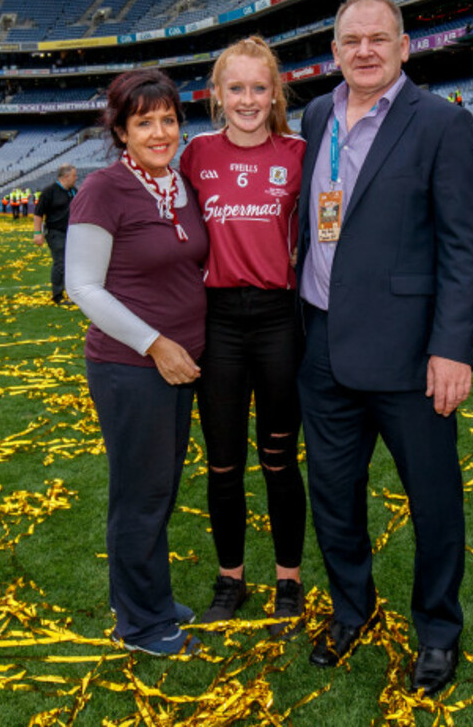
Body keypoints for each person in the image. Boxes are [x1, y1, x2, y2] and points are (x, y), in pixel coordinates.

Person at [296, 0, 473, 695]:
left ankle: (437, 628)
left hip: (413, 356)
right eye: (351, 41)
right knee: (334, 496)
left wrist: (454, 347)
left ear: (404, 46)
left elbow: (467, 248)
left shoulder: (440, 123)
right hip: (321, 346)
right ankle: (353, 608)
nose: (365, 51)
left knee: (434, 500)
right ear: (335, 51)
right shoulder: (317, 115)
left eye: (379, 38)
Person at [64, 68, 208, 656]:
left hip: (179, 365)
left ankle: (148, 594)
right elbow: (83, 286)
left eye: (168, 119)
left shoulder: (178, 184)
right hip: (133, 366)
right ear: (121, 131)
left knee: (161, 488)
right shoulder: (103, 188)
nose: (159, 132)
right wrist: (155, 342)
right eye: (143, 122)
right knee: (140, 493)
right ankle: (142, 624)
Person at [179, 36, 307, 636]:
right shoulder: (195, 154)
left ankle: (289, 578)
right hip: (219, 320)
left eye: (260, 87)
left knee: (280, 460)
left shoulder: (301, 151)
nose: (249, 99)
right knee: (224, 464)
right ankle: (230, 578)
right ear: (217, 95)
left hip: (281, 319)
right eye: (237, 88)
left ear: (276, 92)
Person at [33, 164, 77, 305]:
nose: (76, 179)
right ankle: (57, 295)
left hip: (71, 232)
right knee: (60, 262)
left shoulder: (73, 191)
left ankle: (71, 292)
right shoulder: (49, 191)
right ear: (65, 177)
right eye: (74, 176)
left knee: (71, 263)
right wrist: (37, 233)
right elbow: (38, 213)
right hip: (55, 232)